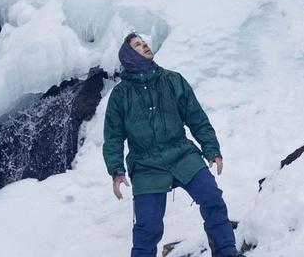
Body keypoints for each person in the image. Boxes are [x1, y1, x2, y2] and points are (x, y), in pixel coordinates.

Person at [102, 33, 245, 257]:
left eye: (144, 43)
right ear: (129, 55)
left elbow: (196, 118)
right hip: (145, 164)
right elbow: (113, 136)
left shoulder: (173, 80)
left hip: (182, 154)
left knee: (213, 200)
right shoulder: (120, 95)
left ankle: (227, 252)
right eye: (138, 45)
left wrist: (211, 149)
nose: (145, 46)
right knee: (147, 228)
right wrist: (116, 171)